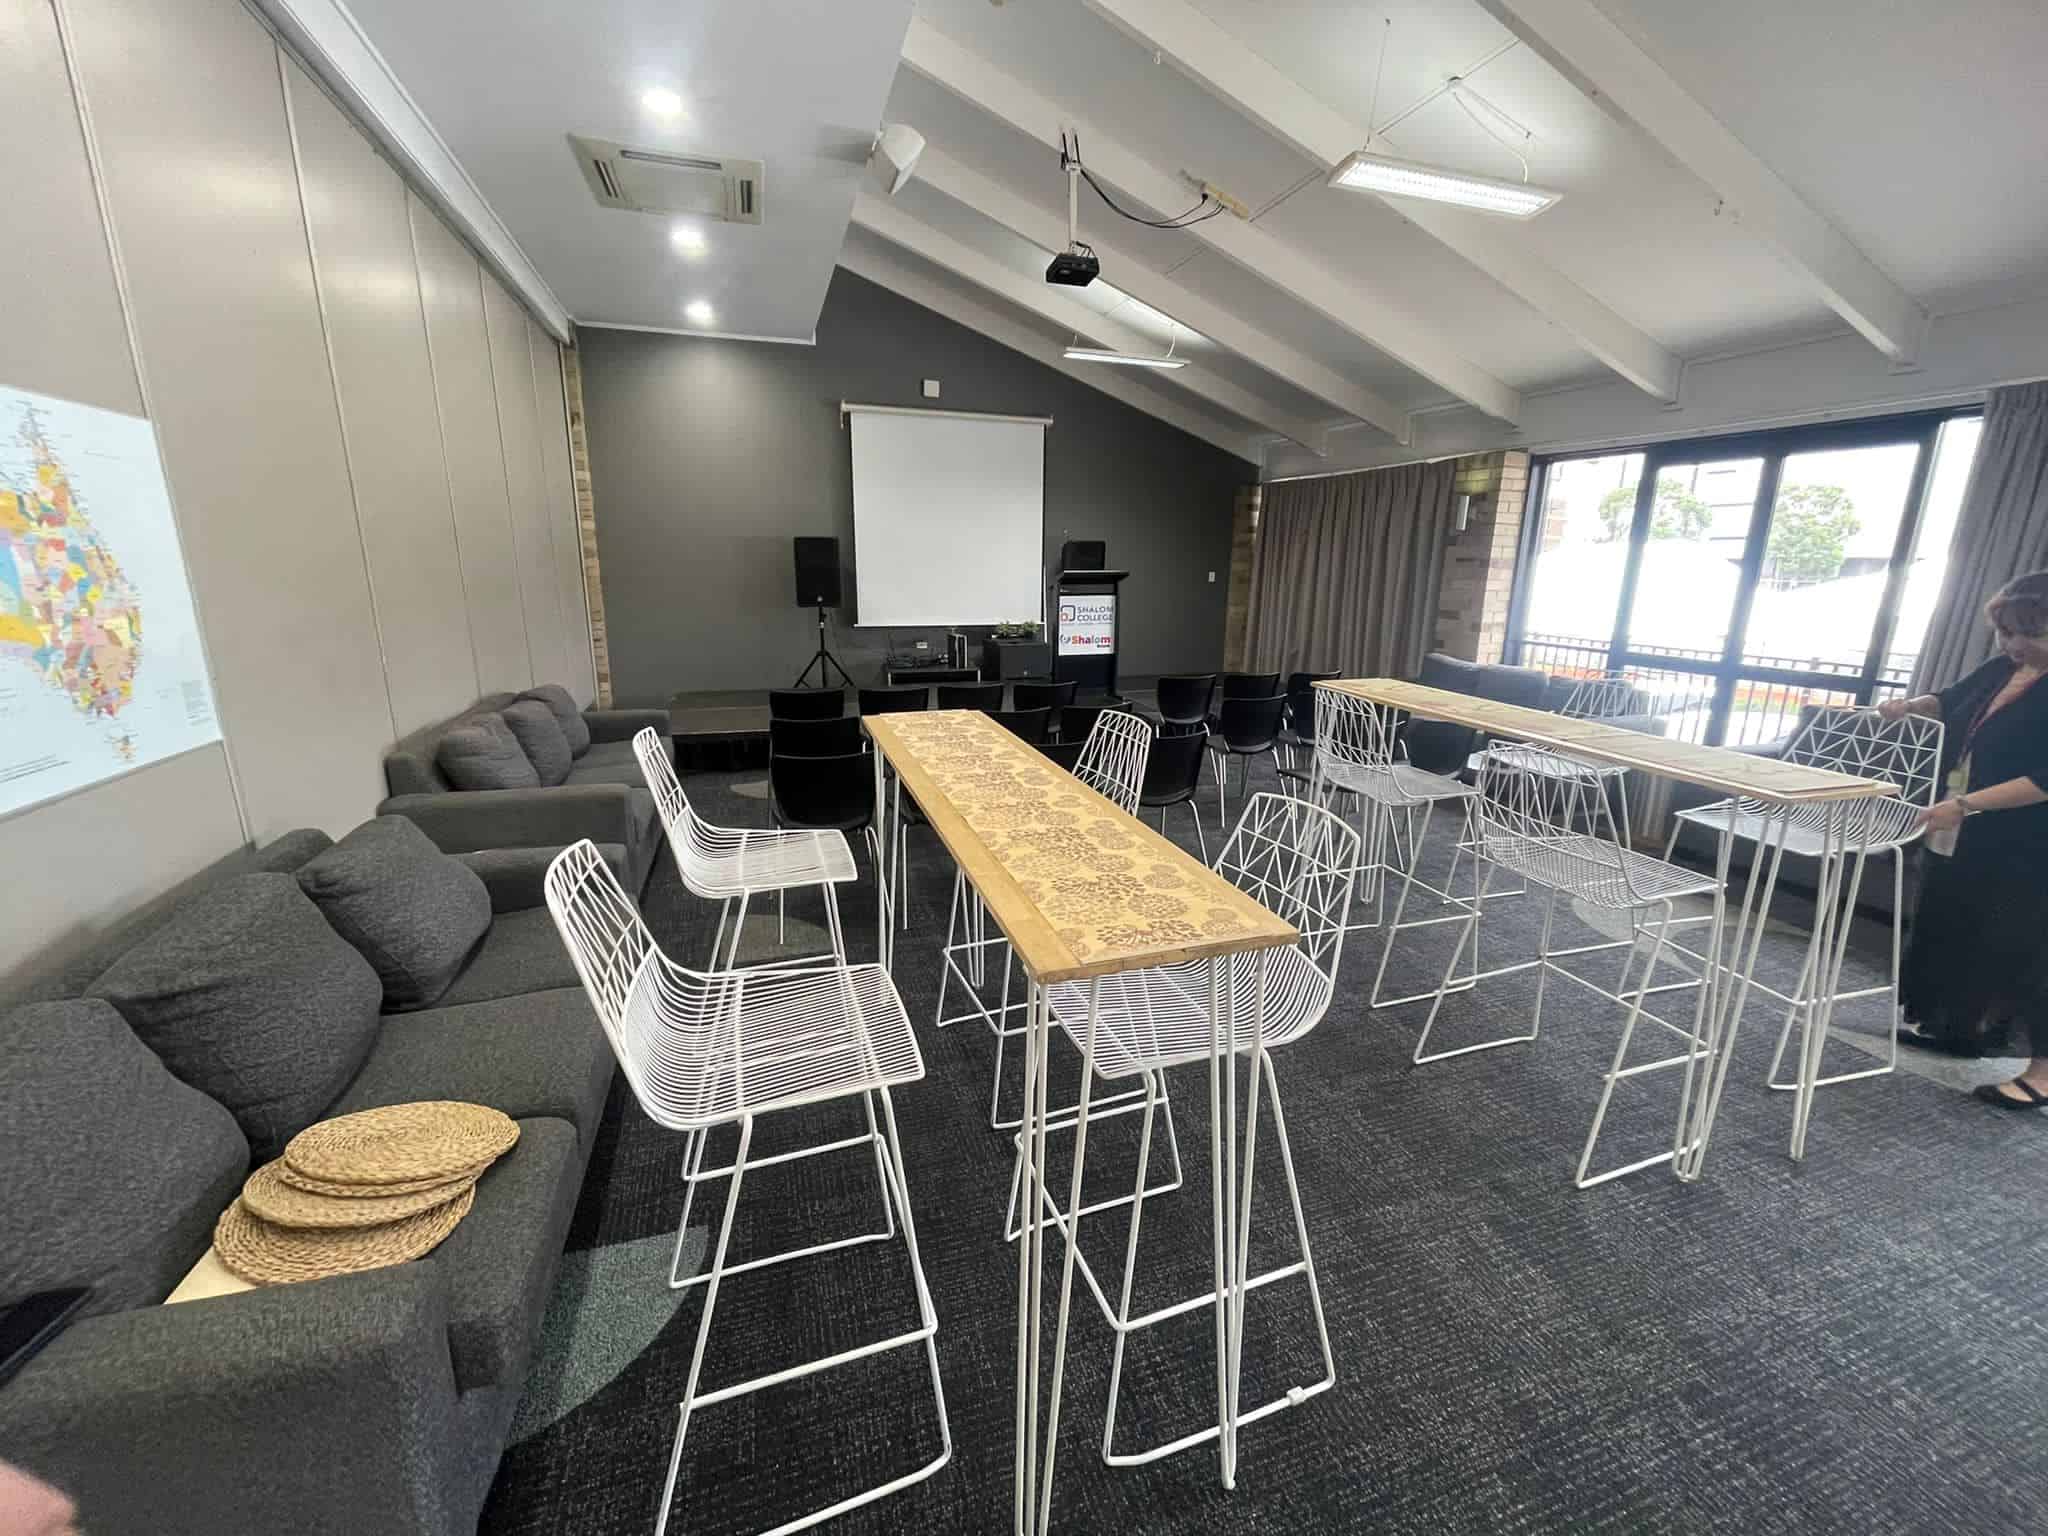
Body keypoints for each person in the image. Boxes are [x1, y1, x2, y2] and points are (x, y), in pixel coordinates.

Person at [1886, 570, 2048, 1109]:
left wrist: (1966, 804)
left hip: (2027, 841)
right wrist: (1912, 707)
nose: (2015, 644)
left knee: (2025, 948)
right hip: (1968, 826)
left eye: (2031, 632)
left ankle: (2043, 1074)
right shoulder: (2005, 667)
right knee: (1956, 922)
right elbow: (1951, 700)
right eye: (2006, 632)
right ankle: (1962, 1027)